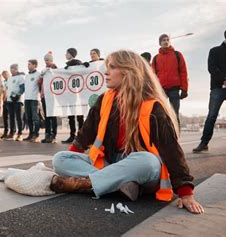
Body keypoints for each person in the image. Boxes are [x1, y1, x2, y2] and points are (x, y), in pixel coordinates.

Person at [49, 50, 204, 214]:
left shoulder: (153, 106)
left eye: (112, 67)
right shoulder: (104, 100)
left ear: (129, 72)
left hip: (139, 167)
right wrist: (69, 160)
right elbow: (85, 134)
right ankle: (120, 184)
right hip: (111, 163)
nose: (106, 72)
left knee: (148, 161)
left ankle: (85, 184)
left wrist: (186, 193)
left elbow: (171, 149)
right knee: (60, 159)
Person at [193, 27, 226, 156]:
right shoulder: (215, 51)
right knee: (212, 116)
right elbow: (212, 68)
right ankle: (204, 143)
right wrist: (224, 80)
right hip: (218, 87)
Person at [151, 34, 189, 122]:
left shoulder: (177, 55)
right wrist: (153, 90)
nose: (166, 41)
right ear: (160, 43)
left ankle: (176, 135)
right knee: (159, 113)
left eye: (167, 40)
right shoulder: (156, 58)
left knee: (174, 114)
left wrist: (184, 89)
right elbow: (153, 76)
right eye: (163, 40)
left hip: (174, 89)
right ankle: (162, 134)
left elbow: (183, 72)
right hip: (161, 90)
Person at [62, 48, 84, 144]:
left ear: (71, 54)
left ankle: (81, 136)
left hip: (78, 93)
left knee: (79, 115)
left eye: (67, 53)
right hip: (69, 93)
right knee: (70, 116)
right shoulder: (66, 66)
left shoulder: (78, 63)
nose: (65, 55)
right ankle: (72, 135)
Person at [39, 51, 58, 144]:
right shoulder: (44, 70)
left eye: (47, 60)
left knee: (52, 116)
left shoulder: (55, 68)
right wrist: (41, 77)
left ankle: (53, 135)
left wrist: (53, 68)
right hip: (44, 95)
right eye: (45, 60)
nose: (46, 62)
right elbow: (39, 82)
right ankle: (47, 134)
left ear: (51, 60)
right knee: (47, 116)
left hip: (52, 95)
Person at [6, 64, 25, 141]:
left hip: (17, 100)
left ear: (16, 69)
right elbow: (8, 88)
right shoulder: (9, 78)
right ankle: (12, 133)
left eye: (13, 69)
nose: (11, 70)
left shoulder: (20, 77)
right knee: (11, 117)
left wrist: (18, 95)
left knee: (18, 117)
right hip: (10, 100)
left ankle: (20, 134)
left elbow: (23, 88)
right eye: (10, 69)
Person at [24, 59, 41, 143]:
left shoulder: (39, 74)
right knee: (28, 118)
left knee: (35, 118)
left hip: (34, 99)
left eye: (30, 64)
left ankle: (36, 135)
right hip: (26, 99)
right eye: (28, 64)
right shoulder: (26, 76)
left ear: (35, 65)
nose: (28, 66)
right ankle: (30, 134)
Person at [0, 71, 11, 139]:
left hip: (10, 100)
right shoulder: (3, 82)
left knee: (12, 117)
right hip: (4, 101)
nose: (4, 76)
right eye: (3, 75)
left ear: (8, 74)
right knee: (5, 117)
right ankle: (5, 131)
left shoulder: (11, 81)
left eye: (5, 75)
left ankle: (12, 131)